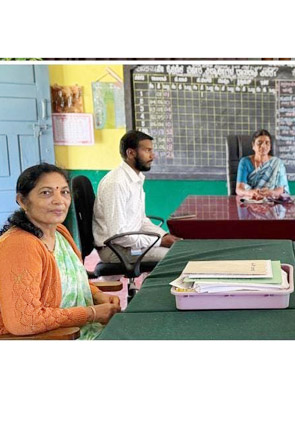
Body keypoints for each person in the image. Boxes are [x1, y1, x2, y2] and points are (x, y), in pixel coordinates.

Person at [0, 163, 120, 339]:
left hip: (83, 331)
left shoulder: (60, 232)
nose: (59, 201)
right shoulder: (20, 245)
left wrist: (97, 295)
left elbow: (74, 280)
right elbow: (24, 321)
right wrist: (92, 313)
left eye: (64, 192)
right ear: (23, 201)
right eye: (46, 193)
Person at [93, 130, 181, 264]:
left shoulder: (135, 178)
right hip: (116, 250)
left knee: (177, 249)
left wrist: (163, 235)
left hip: (129, 244)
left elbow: (141, 220)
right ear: (131, 153)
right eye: (147, 150)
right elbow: (118, 235)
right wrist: (159, 241)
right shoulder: (116, 183)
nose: (152, 156)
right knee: (176, 256)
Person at [235, 129, 290, 200]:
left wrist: (271, 192)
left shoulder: (277, 163)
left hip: (271, 201)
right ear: (253, 145)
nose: (263, 146)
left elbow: (281, 189)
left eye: (267, 143)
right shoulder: (245, 162)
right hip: (250, 201)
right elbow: (239, 189)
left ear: (270, 146)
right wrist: (251, 193)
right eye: (259, 143)